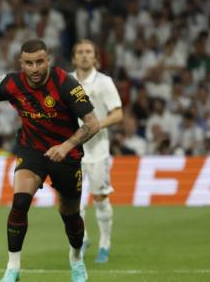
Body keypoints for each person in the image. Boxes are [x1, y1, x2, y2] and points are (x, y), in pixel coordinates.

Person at [0, 39, 100, 282]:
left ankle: (76, 259)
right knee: (20, 202)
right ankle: (13, 267)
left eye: (39, 62)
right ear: (21, 63)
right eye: (29, 63)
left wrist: (66, 145)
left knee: (70, 215)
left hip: (66, 156)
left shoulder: (66, 84)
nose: (35, 68)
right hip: (32, 151)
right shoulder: (12, 82)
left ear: (48, 60)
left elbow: (93, 123)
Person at [71, 39, 123, 263]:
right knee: (72, 201)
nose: (84, 55)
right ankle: (82, 239)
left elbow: (118, 113)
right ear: (74, 58)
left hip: (98, 150)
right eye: (80, 52)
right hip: (71, 148)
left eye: (88, 52)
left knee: (100, 198)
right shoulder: (66, 81)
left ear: (95, 58)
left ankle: (105, 244)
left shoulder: (104, 82)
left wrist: (96, 125)